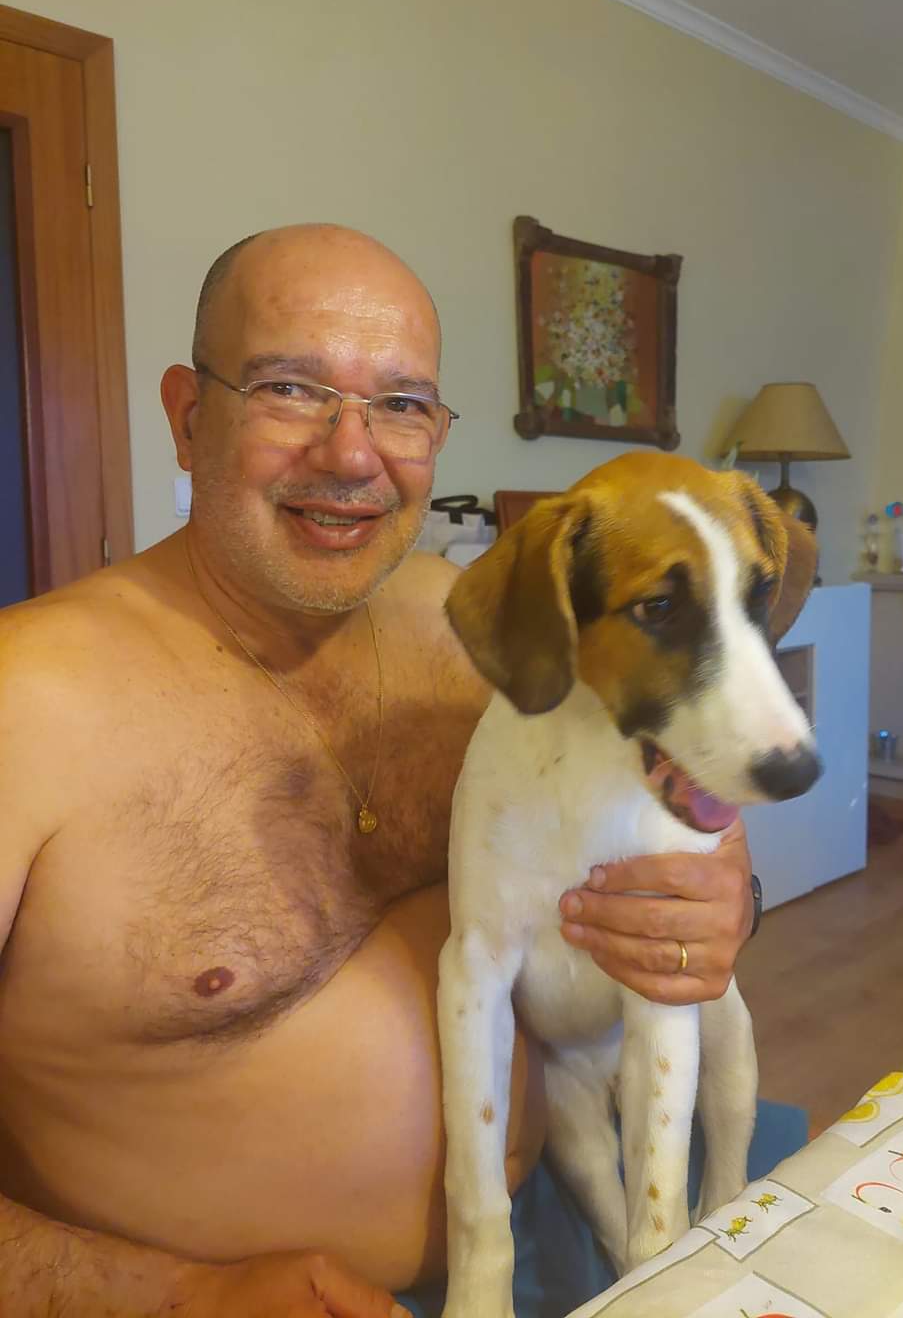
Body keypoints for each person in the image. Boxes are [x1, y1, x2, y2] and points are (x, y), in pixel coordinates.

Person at [0, 224, 756, 1317]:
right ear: (188, 415)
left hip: (561, 1219)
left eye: (402, 404)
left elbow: (685, 832)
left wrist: (724, 907)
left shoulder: (479, 633)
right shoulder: (25, 698)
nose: (353, 456)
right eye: (290, 389)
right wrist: (176, 1294)